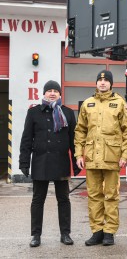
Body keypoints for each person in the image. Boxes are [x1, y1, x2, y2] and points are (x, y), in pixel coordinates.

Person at [74, 70, 127, 246]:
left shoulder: (120, 103)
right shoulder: (88, 104)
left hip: (112, 158)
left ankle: (109, 232)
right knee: (93, 196)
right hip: (92, 158)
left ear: (111, 84)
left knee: (111, 196)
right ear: (96, 83)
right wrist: (78, 154)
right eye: (100, 80)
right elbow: (80, 131)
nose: (103, 83)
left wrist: (125, 155)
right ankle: (97, 231)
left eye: (106, 80)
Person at [19, 80, 79, 247]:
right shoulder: (33, 113)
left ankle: (65, 234)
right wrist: (24, 162)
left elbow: (74, 140)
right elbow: (26, 139)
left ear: (60, 94)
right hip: (40, 161)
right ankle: (36, 235)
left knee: (64, 199)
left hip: (60, 162)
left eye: (55, 90)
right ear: (44, 93)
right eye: (49, 90)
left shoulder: (67, 112)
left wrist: (75, 162)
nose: (52, 93)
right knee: (38, 200)